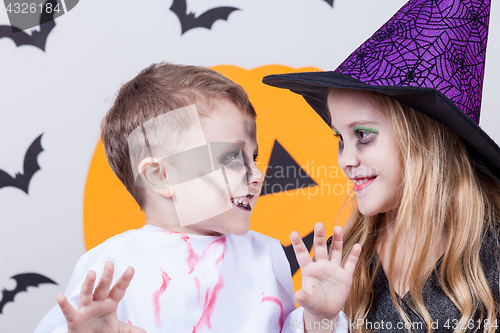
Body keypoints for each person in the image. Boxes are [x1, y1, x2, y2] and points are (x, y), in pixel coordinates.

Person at [34, 62, 361, 333]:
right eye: (232, 158)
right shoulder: (112, 265)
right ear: (161, 176)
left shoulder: (266, 255)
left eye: (254, 158)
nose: (258, 175)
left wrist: (320, 318)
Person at [263, 0, 500, 332]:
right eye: (340, 138)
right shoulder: (342, 261)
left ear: (424, 141)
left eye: (363, 134)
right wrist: (321, 321)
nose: (345, 159)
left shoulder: (492, 255)